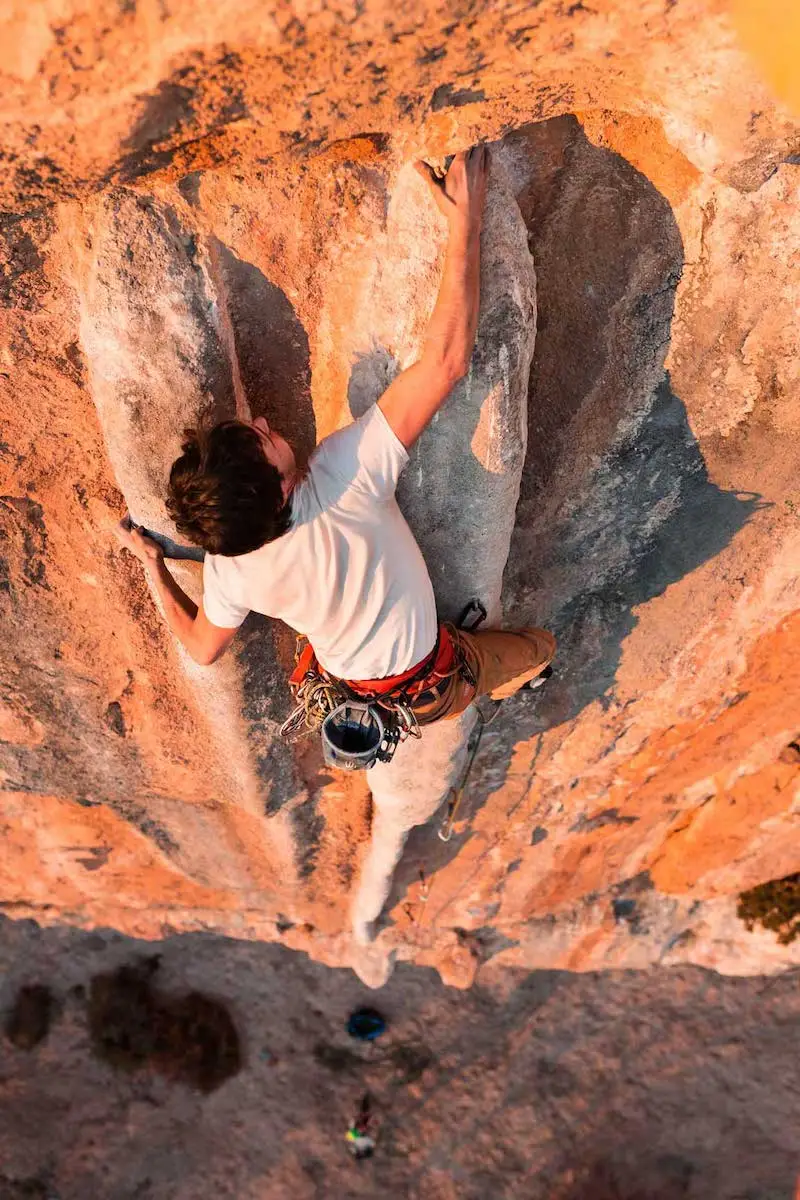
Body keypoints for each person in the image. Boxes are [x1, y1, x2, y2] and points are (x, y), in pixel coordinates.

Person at [116, 145, 555, 729]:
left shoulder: (229, 567)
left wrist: (153, 566)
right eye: (264, 442)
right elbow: (446, 364)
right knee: (538, 647)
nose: (269, 426)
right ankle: (510, 679)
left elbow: (202, 648)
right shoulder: (342, 479)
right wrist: (465, 225)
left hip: (360, 689)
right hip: (433, 682)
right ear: (276, 493)